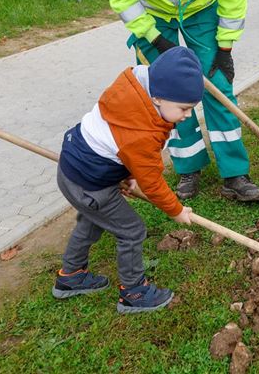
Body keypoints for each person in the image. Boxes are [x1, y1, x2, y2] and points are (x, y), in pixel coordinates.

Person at [105, 0, 259, 202]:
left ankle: (235, 173)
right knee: (167, 94)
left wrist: (225, 48)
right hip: (154, 15)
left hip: (202, 10)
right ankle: (188, 166)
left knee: (218, 87)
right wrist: (154, 38)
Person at [53, 46, 201, 314]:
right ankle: (133, 292)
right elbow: (153, 182)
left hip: (75, 171)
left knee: (91, 219)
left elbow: (122, 147)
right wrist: (176, 210)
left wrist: (128, 174)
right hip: (91, 184)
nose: (187, 115)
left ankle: (70, 276)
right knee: (131, 230)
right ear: (158, 98)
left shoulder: (134, 90)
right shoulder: (140, 135)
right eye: (184, 108)